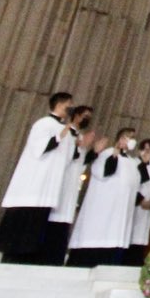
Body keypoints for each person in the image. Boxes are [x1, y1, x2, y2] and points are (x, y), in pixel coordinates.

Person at [0, 91, 75, 265]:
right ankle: (13, 258)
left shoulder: (63, 129)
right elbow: (39, 148)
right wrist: (61, 135)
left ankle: (29, 257)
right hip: (34, 185)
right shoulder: (44, 124)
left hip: (48, 187)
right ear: (59, 104)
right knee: (23, 224)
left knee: (37, 228)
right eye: (69, 104)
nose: (71, 108)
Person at [66, 127, 139, 266]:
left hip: (119, 213)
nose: (132, 141)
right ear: (121, 138)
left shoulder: (132, 162)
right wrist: (116, 152)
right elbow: (104, 172)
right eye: (129, 137)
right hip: (103, 210)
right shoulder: (108, 153)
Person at [45, 105, 97, 266]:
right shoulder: (66, 132)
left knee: (63, 225)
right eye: (85, 115)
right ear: (76, 115)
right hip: (59, 184)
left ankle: (56, 259)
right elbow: (63, 156)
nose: (87, 119)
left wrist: (91, 151)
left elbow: (79, 164)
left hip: (71, 187)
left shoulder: (79, 136)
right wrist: (79, 147)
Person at [125, 138, 150, 267]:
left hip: (147, 208)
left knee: (142, 235)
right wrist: (141, 200)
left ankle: (137, 260)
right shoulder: (133, 163)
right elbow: (134, 183)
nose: (147, 151)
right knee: (130, 233)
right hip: (136, 206)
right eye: (145, 149)